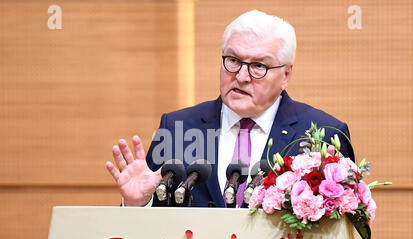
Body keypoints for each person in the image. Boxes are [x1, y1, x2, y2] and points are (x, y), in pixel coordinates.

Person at [105, 10, 354, 209]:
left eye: (258, 66)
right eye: (233, 61)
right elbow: (150, 230)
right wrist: (138, 203)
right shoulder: (178, 127)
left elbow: (352, 234)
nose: (242, 76)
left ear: (286, 74)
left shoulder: (323, 134)